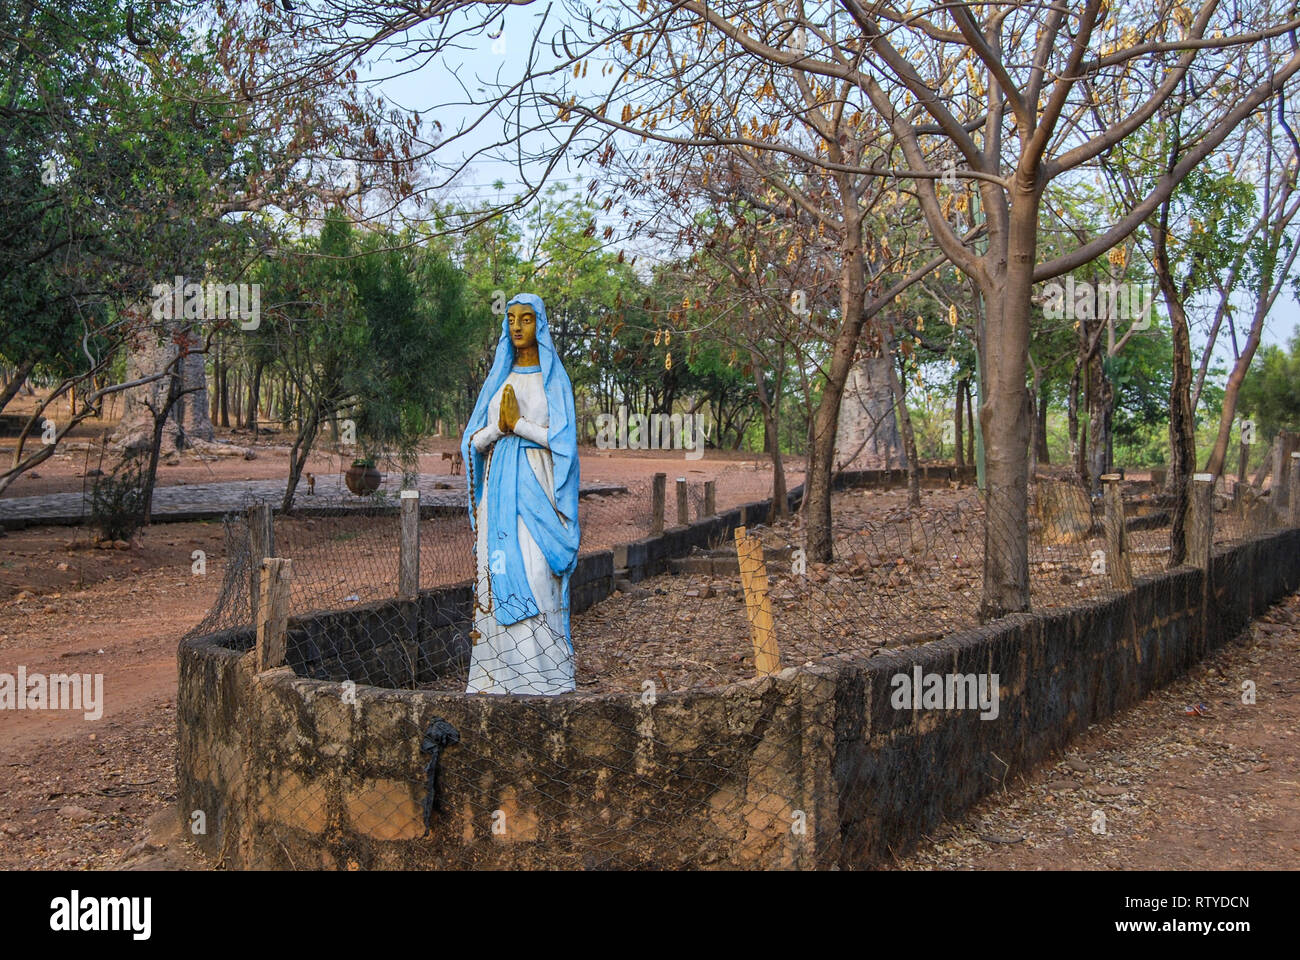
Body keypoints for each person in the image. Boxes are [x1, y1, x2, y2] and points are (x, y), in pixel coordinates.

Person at [461, 294, 580, 694]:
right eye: (511, 319)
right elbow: (473, 442)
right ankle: (494, 680)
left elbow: (564, 443)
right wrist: (499, 428)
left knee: (534, 574)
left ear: (540, 326)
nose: (517, 326)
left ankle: (543, 679)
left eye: (526, 319)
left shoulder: (554, 380)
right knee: (496, 575)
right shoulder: (499, 379)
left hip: (538, 495)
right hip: (498, 497)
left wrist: (521, 425)